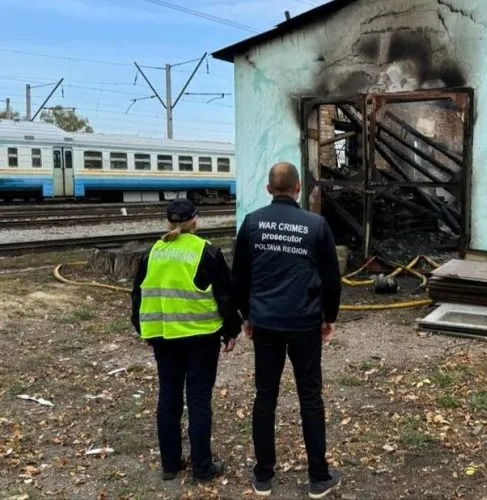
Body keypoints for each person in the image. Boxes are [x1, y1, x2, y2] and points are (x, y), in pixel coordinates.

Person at [232, 162, 342, 498]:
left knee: (265, 396)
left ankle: (263, 476)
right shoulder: (316, 225)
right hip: (305, 323)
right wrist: (329, 317)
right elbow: (332, 280)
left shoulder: (251, 224)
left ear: (268, 190)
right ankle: (319, 477)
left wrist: (247, 317)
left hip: (265, 323)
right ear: (297, 189)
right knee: (310, 397)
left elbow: (239, 278)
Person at [131, 198, 241, 482]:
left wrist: (144, 330)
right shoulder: (207, 253)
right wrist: (232, 331)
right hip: (201, 339)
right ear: (196, 221)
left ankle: (170, 464)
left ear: (168, 223)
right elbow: (226, 296)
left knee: (168, 398)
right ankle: (202, 468)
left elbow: (138, 297)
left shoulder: (151, 253)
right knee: (199, 400)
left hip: (164, 338)